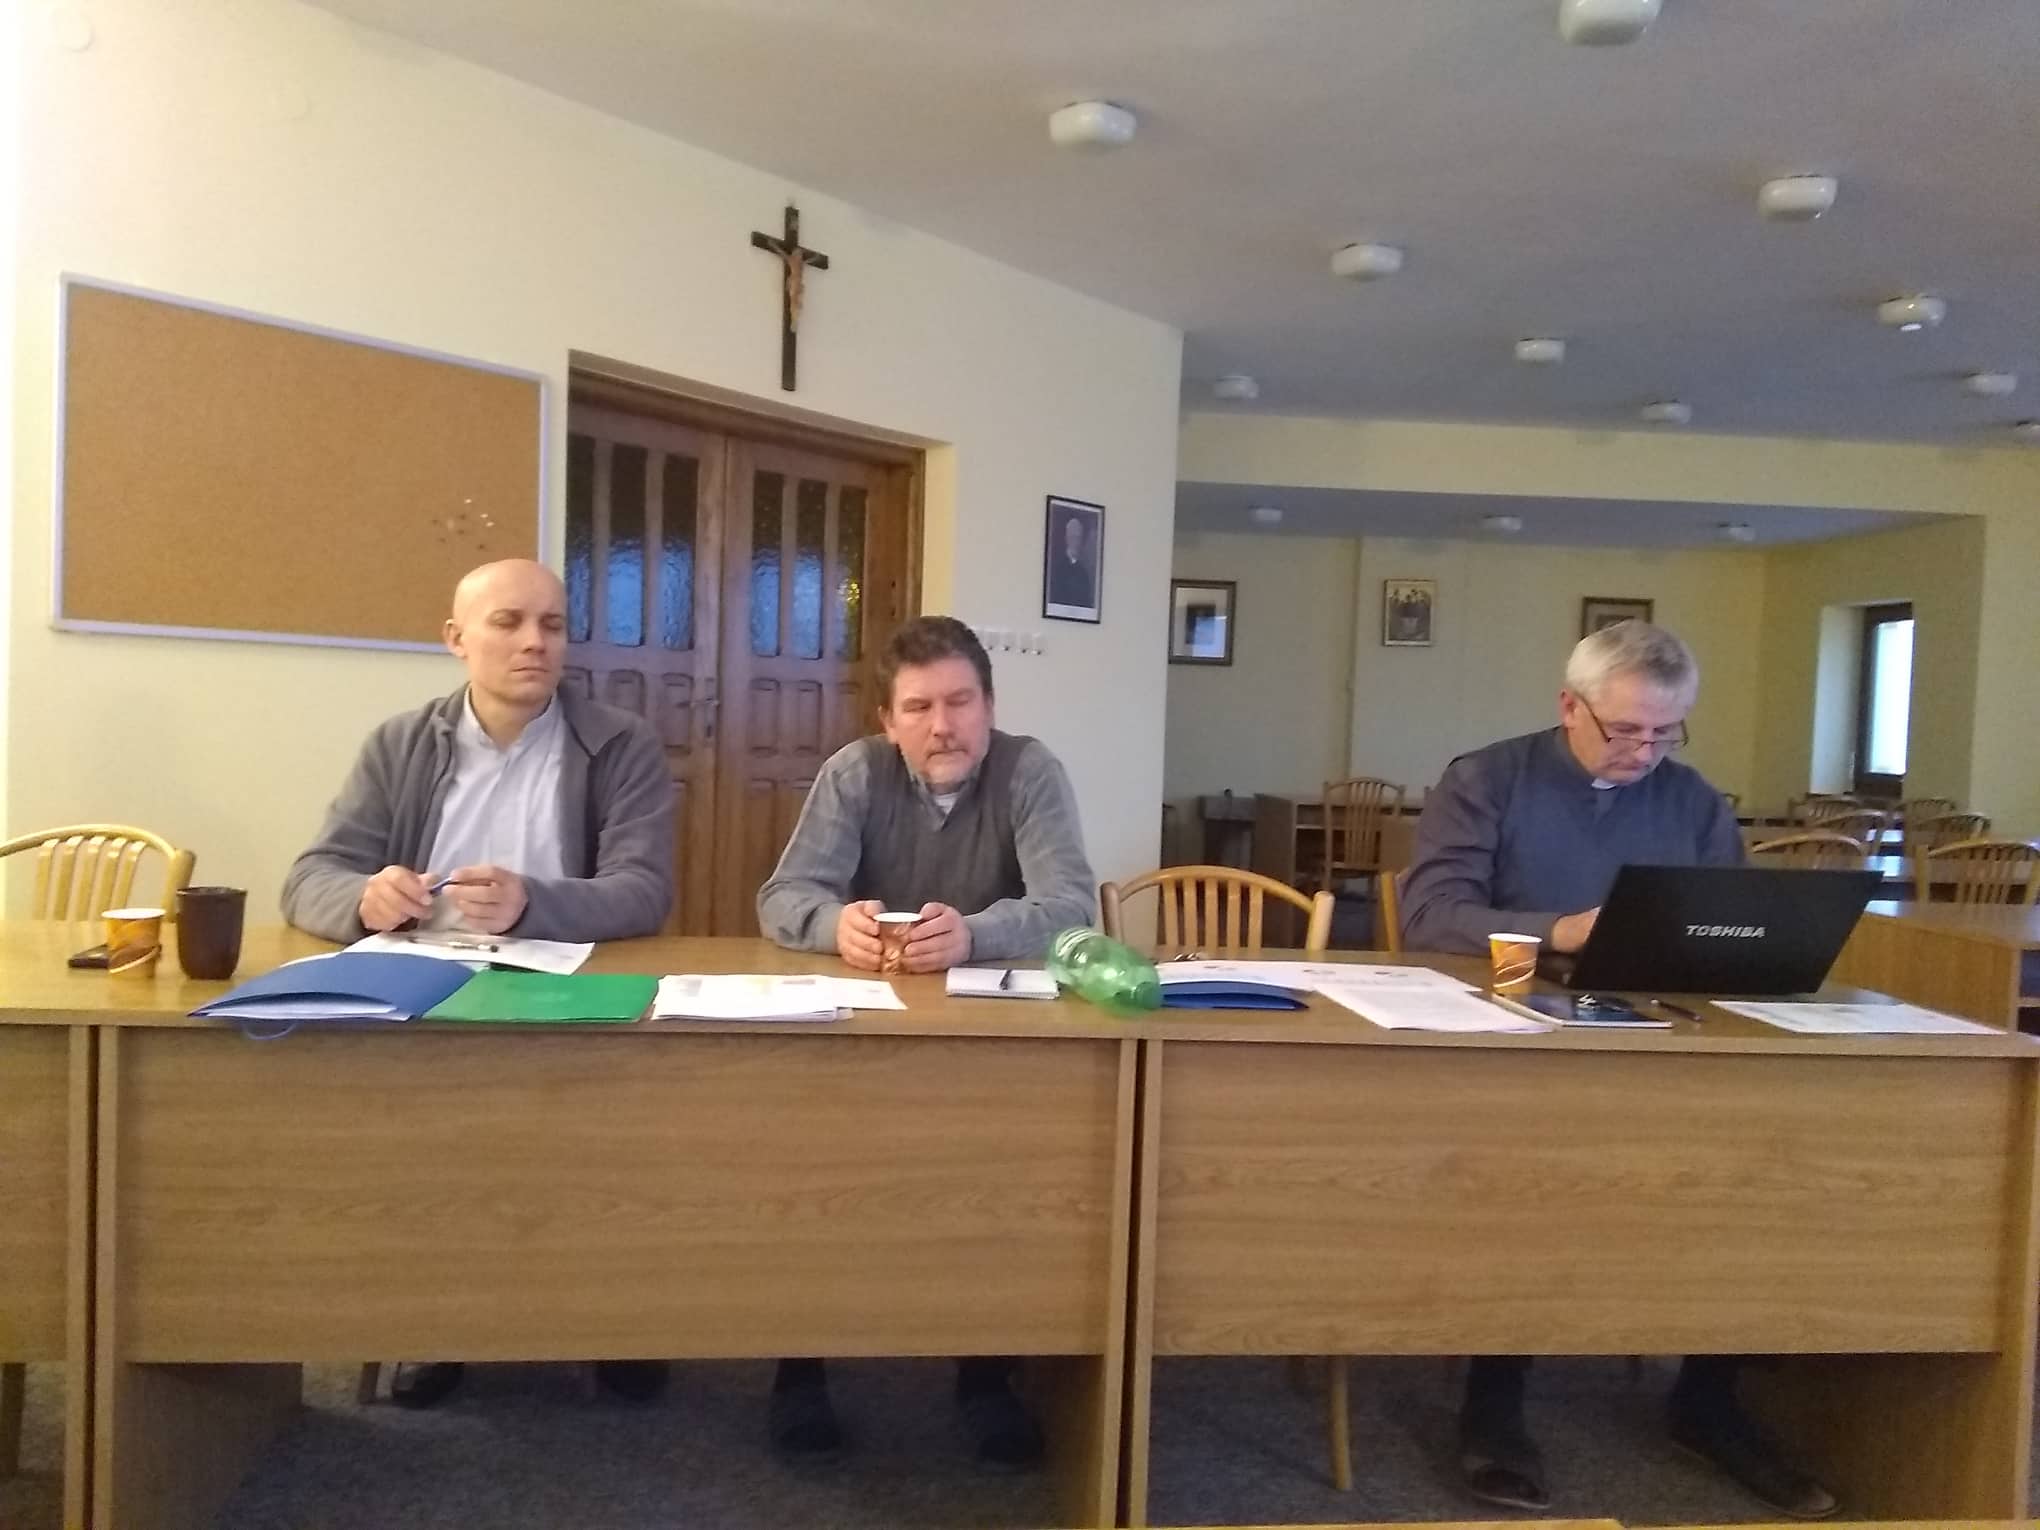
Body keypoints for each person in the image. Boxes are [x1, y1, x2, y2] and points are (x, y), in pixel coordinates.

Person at [1400, 620, 1836, 1522]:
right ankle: (1495, 1400)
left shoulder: (1694, 800)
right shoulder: (1487, 780)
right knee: (1527, 1182)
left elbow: (1736, 919)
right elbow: (1433, 915)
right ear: (1571, 706)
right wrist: (1559, 930)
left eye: (1666, 732)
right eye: (1626, 730)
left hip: (1659, 1037)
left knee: (1762, 1171)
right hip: (1516, 1036)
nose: (1645, 752)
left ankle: (1709, 1401)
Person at [283, 558, 676, 1409]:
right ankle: (442, 1324)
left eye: (552, 625)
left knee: (610, 1151)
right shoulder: (399, 744)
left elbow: (645, 890)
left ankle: (610, 1323)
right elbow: (311, 875)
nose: (535, 642)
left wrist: (534, 901)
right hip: (431, 999)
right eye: (509, 622)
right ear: (456, 640)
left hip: (569, 993)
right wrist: (363, 899)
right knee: (434, 1147)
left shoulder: (621, 743)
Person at [757, 614, 1096, 1468]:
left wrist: (974, 933)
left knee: (1005, 1186)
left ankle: (987, 1374)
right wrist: (834, 925)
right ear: (888, 720)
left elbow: (1070, 906)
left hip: (991, 1046)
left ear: (990, 705)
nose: (942, 725)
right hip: (861, 1040)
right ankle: (799, 1369)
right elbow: (784, 896)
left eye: (960, 701)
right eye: (918, 707)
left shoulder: (1030, 771)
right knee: (812, 1173)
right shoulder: (854, 773)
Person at [1046, 513, 1095, 610]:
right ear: (1067, 537)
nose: (1076, 542)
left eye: (1078, 537)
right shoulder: (1056, 568)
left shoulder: (1083, 573)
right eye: (1073, 536)